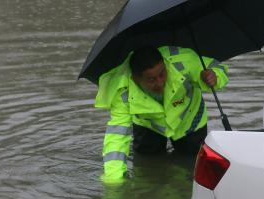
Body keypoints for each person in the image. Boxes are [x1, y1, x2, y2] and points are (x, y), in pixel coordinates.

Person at [94, 46, 229, 184]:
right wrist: (113, 183)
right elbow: (117, 136)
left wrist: (214, 76)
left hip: (190, 122)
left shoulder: (185, 60)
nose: (160, 83)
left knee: (194, 166)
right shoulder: (122, 90)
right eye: (151, 80)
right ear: (135, 79)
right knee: (146, 168)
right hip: (149, 126)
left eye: (162, 74)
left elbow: (219, 67)